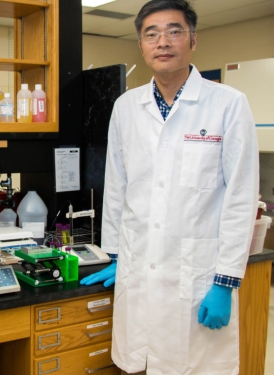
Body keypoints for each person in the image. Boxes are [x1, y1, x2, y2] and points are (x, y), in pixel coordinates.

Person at [80, 1, 259, 374]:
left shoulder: (227, 104)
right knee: (141, 365)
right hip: (138, 271)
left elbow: (240, 198)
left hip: (198, 277)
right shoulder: (127, 107)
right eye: (151, 34)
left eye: (174, 31)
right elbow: (116, 188)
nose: (163, 42)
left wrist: (225, 282)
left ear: (193, 40)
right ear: (141, 46)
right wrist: (114, 255)